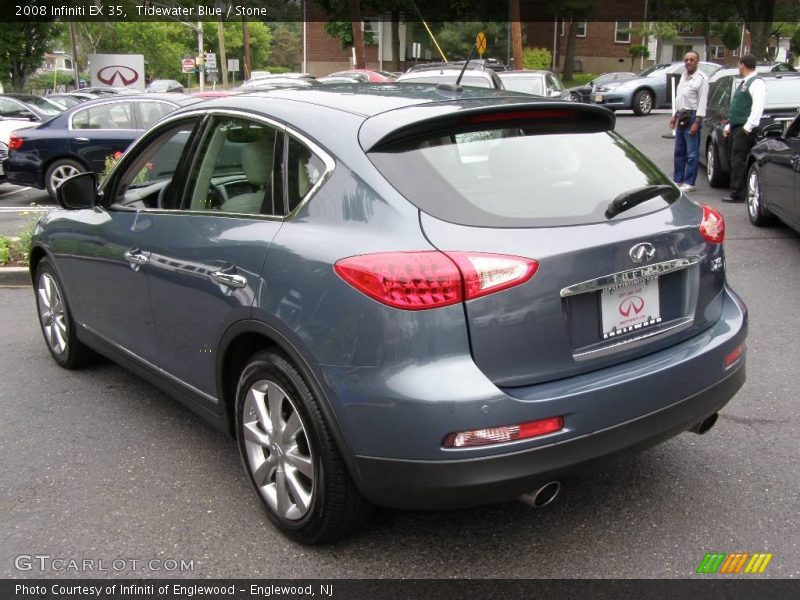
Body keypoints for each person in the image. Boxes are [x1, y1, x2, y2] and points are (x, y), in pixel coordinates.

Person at [721, 54, 766, 203]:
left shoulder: (756, 83)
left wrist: (748, 126)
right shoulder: (744, 82)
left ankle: (738, 193)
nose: (738, 68)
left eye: (739, 65)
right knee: (733, 158)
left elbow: (757, 107)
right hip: (736, 126)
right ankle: (736, 188)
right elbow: (737, 107)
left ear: (742, 65)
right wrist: (729, 125)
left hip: (744, 128)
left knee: (738, 160)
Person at [669, 51, 709, 193]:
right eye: (686, 60)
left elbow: (702, 102)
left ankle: (689, 182)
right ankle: (678, 179)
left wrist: (697, 122)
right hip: (682, 116)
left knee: (692, 153)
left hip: (692, 117)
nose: (688, 62)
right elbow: (680, 98)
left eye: (692, 60)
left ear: (697, 62)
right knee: (679, 151)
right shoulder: (683, 76)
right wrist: (675, 115)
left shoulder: (701, 79)